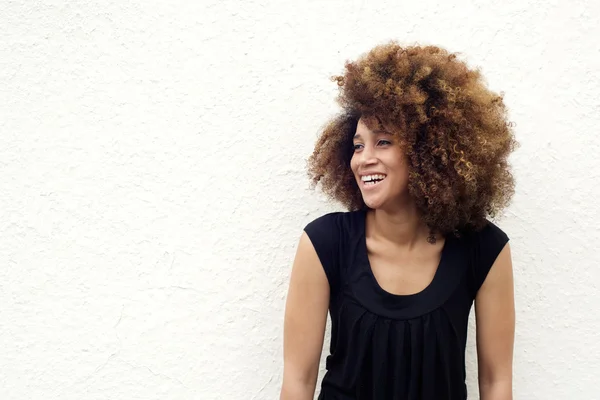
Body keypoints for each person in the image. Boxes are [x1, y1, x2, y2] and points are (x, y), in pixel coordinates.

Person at [280, 42, 517, 400]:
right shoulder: (325, 243)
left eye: (384, 142)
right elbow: (298, 382)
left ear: (428, 149)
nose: (364, 159)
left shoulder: (484, 249)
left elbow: (497, 383)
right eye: (358, 145)